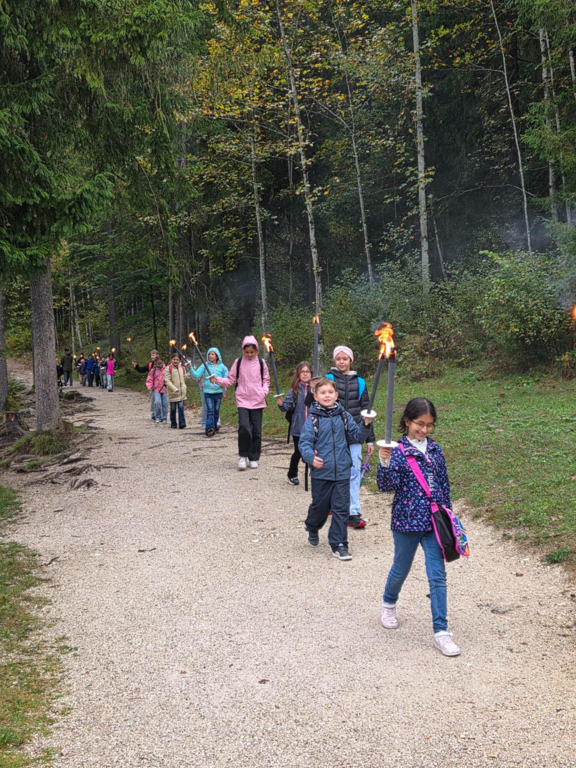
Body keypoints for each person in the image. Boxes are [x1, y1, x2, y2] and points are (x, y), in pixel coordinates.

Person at [377, 397, 460, 657]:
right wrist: (384, 462)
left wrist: (448, 516)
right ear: (407, 422)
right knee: (401, 568)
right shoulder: (397, 450)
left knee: (437, 575)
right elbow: (386, 486)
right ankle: (389, 603)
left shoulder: (435, 449)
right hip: (406, 521)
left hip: (434, 522)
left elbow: (444, 483)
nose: (424, 430)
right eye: (419, 424)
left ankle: (441, 632)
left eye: (429, 425)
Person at [298, 377, 373, 561]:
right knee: (320, 508)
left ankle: (339, 544)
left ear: (336, 395)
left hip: (342, 471)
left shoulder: (344, 416)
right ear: (316, 396)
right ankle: (312, 526)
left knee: (341, 509)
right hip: (321, 472)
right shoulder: (313, 419)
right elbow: (305, 442)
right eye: (323, 393)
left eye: (330, 392)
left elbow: (356, 436)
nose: (327, 395)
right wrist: (310, 457)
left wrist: (365, 425)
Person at [324, 345, 375, 529]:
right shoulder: (328, 379)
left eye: (345, 358)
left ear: (351, 360)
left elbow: (367, 411)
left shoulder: (360, 383)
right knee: (333, 471)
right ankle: (332, 503)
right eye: (338, 359)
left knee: (354, 473)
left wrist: (369, 439)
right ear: (334, 360)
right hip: (333, 435)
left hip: (355, 434)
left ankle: (353, 512)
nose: (341, 362)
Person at [210, 335, 270, 470]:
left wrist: (263, 392)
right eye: (247, 352)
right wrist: (217, 380)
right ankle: (243, 455)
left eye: (252, 352)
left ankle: (254, 457)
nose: (249, 354)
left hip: (258, 400)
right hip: (243, 399)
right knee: (244, 427)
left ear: (256, 350)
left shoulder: (262, 363)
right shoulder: (238, 362)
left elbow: (266, 380)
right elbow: (230, 380)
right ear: (243, 350)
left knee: (256, 430)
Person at [277, 361, 314, 485]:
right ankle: (292, 474)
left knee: (315, 450)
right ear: (298, 374)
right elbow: (285, 407)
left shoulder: (315, 389)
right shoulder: (294, 390)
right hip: (298, 427)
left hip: (313, 426)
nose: (305, 374)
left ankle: (316, 473)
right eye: (302, 372)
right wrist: (281, 404)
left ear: (311, 373)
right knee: (298, 451)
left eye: (307, 371)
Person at [188, 347, 228, 436]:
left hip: (218, 393)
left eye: (212, 354)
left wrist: (224, 390)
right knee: (210, 411)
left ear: (217, 356)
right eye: (209, 354)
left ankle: (215, 428)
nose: (210, 355)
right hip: (208, 393)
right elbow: (196, 375)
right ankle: (209, 428)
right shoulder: (204, 365)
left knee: (216, 411)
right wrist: (190, 368)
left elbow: (226, 380)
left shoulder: (223, 368)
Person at [133, 350, 159, 421]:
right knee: (153, 400)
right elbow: (141, 370)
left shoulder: (161, 364)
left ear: (157, 355)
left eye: (154, 355)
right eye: (151, 355)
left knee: (159, 401)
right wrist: (136, 366)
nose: (152, 356)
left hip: (160, 386)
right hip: (152, 386)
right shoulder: (150, 365)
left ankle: (159, 413)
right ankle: (153, 413)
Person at [165, 351, 188, 429]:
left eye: (177, 359)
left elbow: (184, 377)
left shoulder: (182, 368)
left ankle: (182, 423)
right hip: (173, 393)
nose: (175, 361)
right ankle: (173, 423)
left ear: (179, 360)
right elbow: (167, 380)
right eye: (174, 359)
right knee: (173, 408)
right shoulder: (168, 368)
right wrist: (174, 389)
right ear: (171, 360)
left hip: (181, 392)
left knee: (181, 407)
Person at [146, 355, 167, 424]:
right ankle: (158, 417)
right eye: (158, 363)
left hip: (164, 389)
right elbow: (149, 379)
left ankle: (164, 417)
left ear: (163, 362)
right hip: (156, 389)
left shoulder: (166, 370)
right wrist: (149, 386)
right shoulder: (153, 370)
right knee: (157, 403)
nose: (159, 364)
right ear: (155, 362)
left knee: (165, 404)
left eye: (161, 363)